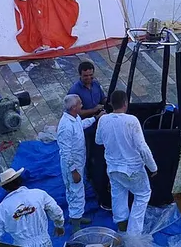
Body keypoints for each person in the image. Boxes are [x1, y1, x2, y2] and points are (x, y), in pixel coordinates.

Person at [96, 90, 158, 235]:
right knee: (142, 195)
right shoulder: (131, 121)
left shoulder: (103, 120)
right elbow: (142, 147)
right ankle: (133, 236)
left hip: (113, 168)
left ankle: (121, 227)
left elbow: (98, 141)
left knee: (118, 195)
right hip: (133, 169)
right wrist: (153, 167)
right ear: (125, 103)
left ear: (111, 104)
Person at [67, 61, 112, 210]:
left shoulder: (96, 84)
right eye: (86, 76)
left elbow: (103, 99)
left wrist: (109, 103)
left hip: (99, 124)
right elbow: (77, 113)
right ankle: (87, 176)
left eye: (91, 75)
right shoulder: (74, 91)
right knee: (86, 153)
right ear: (80, 75)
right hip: (85, 129)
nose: (88, 78)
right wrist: (94, 110)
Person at [57, 93, 102, 231]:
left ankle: (76, 216)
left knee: (77, 191)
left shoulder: (74, 118)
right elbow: (66, 152)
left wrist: (94, 118)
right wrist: (74, 171)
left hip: (78, 162)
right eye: (80, 103)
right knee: (76, 192)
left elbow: (81, 125)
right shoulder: (65, 127)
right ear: (73, 107)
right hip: (73, 166)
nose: (82, 105)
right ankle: (76, 225)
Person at [0, 168, 65, 247]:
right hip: (44, 242)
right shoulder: (39, 194)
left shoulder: (2, 208)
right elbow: (56, 211)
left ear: (5, 188)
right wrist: (59, 225)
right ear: (20, 180)